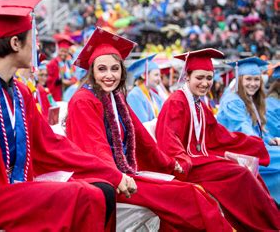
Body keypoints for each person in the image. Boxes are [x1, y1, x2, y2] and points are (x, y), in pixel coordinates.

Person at [0, 0, 137, 231]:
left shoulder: (19, 92)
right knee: (83, 196)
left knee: (98, 190)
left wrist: (109, 173)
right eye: (33, 40)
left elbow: (53, 146)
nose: (37, 47)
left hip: (11, 189)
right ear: (15, 43)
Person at [66, 28, 232, 231]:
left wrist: (169, 164)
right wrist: (118, 176)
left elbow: (142, 138)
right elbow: (95, 147)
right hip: (105, 180)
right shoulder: (83, 100)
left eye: (114, 69)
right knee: (189, 198)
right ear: (92, 71)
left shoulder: (115, 97)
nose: (109, 75)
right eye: (102, 69)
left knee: (192, 195)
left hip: (125, 174)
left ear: (122, 71)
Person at [155, 48, 280, 231]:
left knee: (246, 170)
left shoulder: (197, 103)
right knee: (239, 174)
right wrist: (181, 161)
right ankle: (263, 225)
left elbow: (217, 134)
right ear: (187, 77)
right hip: (186, 164)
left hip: (200, 157)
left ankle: (269, 220)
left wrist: (252, 144)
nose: (205, 83)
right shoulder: (177, 101)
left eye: (208, 78)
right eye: (200, 77)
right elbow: (168, 138)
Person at [217, 57, 280, 203]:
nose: (253, 84)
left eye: (256, 80)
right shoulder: (233, 101)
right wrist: (263, 144)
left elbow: (256, 131)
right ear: (240, 80)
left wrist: (270, 140)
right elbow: (244, 130)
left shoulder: (249, 100)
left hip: (249, 147)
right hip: (238, 152)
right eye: (248, 79)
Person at [126, 54, 164, 123]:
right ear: (144, 75)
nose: (159, 79)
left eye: (160, 75)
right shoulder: (134, 95)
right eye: (156, 75)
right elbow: (142, 124)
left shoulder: (155, 96)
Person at [46, 34, 77, 101]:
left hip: (69, 92)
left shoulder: (69, 63)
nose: (63, 53)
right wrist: (62, 81)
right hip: (57, 93)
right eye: (61, 51)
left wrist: (72, 81)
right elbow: (50, 80)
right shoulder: (53, 63)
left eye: (65, 52)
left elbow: (74, 76)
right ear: (58, 51)